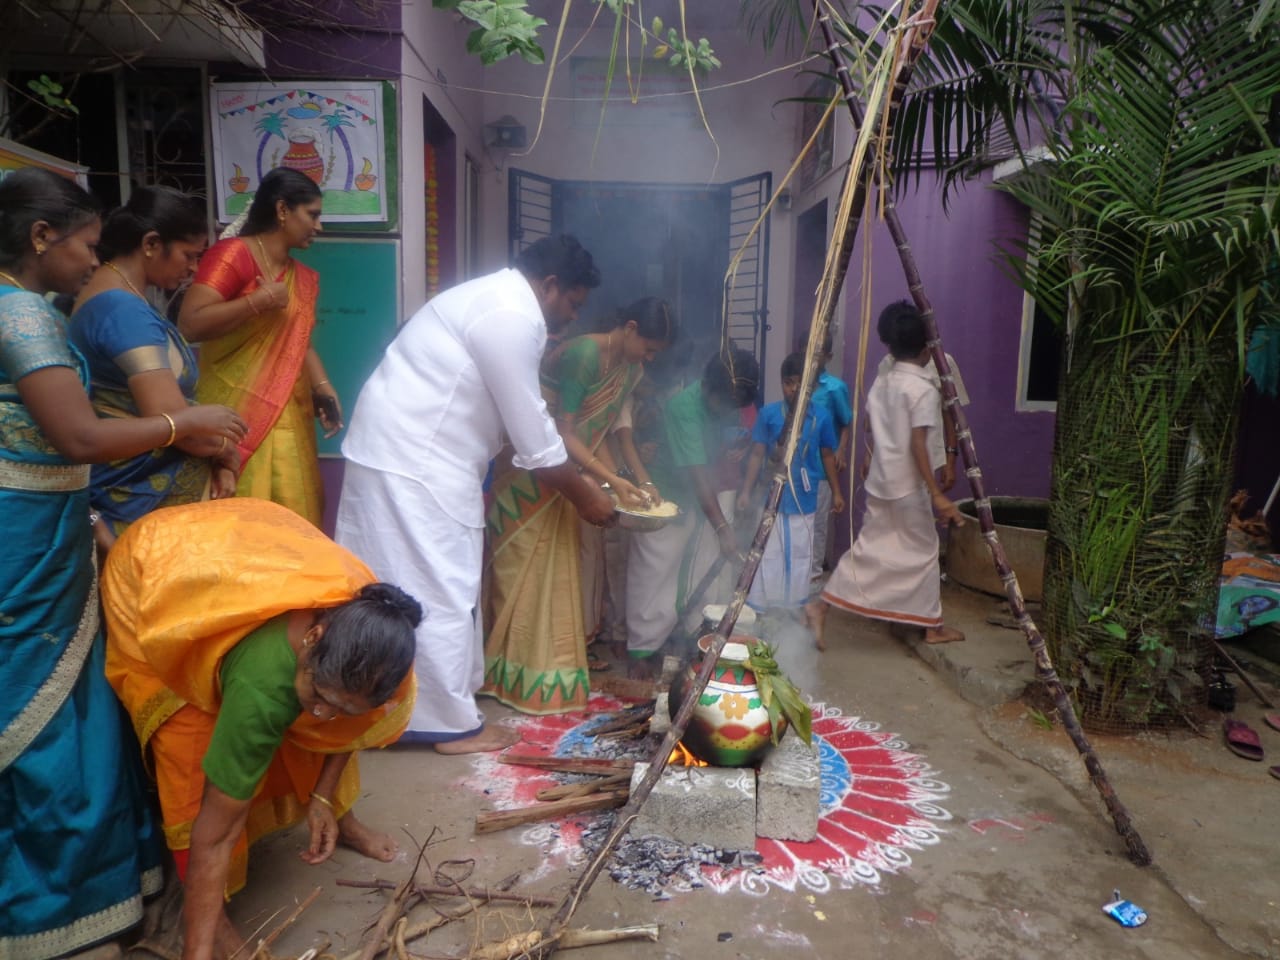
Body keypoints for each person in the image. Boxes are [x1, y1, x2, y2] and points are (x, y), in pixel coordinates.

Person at [0, 167, 246, 960]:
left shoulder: (35, 310)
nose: (89, 261)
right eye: (83, 245)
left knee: (77, 700)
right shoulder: (23, 316)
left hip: (51, 522)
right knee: (50, 714)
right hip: (30, 537)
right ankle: (48, 899)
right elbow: (79, 436)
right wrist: (185, 426)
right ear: (41, 237)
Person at [100, 497, 420, 960]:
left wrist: (324, 795)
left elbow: (350, 730)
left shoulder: (382, 644)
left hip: (242, 548)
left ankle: (339, 816)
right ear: (312, 638)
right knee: (189, 753)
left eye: (341, 707)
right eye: (320, 696)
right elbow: (215, 836)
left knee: (312, 722)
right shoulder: (262, 688)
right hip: (155, 572)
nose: (322, 715)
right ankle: (210, 926)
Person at [336, 235, 615, 753]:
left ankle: (391, 705)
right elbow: (534, 436)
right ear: (551, 286)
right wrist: (587, 498)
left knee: (404, 587)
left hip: (401, 456)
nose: (574, 317)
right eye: (573, 303)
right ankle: (447, 724)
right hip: (417, 463)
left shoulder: (493, 298)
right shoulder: (510, 314)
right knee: (438, 589)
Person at [482, 297, 677, 713]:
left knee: (556, 575)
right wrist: (614, 480)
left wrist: (628, 483)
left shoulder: (631, 370)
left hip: (568, 475)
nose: (649, 357)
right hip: (529, 472)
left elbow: (599, 433)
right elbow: (564, 432)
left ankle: (544, 673)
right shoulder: (585, 354)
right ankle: (501, 670)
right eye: (648, 347)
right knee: (518, 572)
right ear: (630, 328)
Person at [70, 186, 240, 548]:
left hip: (125, 493)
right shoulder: (124, 311)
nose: (194, 269)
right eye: (188, 255)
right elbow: (177, 426)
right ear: (150, 244)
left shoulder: (111, 298)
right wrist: (227, 449)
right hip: (135, 501)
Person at [178, 168, 341, 526]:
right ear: (282, 210)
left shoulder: (301, 277)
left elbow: (301, 342)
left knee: (294, 518)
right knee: (245, 521)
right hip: (238, 412)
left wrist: (323, 387)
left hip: (291, 414)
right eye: (312, 215)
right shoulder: (233, 255)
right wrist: (259, 301)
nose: (318, 226)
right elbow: (190, 323)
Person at [813, 300, 966, 648]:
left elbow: (871, 427)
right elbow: (917, 444)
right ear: (926, 350)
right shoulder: (922, 389)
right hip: (906, 487)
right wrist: (937, 494)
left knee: (869, 550)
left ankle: (820, 607)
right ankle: (932, 627)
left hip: (880, 482)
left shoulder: (882, 383)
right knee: (925, 551)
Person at [624, 347, 760, 674]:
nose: (728, 411)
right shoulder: (684, 408)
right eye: (724, 404)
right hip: (665, 492)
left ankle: (686, 640)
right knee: (655, 571)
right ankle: (641, 652)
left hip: (702, 498)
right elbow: (698, 476)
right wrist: (723, 528)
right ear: (708, 388)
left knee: (696, 572)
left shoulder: (729, 400)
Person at [737, 351, 844, 613]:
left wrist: (837, 492)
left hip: (804, 498)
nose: (794, 389)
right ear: (781, 382)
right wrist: (746, 491)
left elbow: (827, 455)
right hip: (770, 496)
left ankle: (792, 609)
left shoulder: (820, 417)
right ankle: (763, 607)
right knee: (768, 551)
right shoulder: (769, 414)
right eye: (788, 382)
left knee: (800, 552)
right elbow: (757, 454)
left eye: (800, 383)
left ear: (812, 386)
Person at [809, 332, 853, 579]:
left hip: (822, 465)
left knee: (818, 522)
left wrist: (841, 450)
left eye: (818, 353)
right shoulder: (796, 383)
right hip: (798, 464)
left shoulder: (835, 387)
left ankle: (814, 572)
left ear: (828, 356)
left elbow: (846, 421)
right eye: (808, 351)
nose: (812, 357)